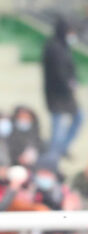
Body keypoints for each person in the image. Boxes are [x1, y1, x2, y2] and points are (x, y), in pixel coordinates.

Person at [43, 16, 82, 159]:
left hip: (66, 96)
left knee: (78, 118)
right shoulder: (54, 47)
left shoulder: (64, 46)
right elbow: (58, 74)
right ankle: (52, 158)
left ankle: (61, 149)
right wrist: (68, 84)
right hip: (57, 96)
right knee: (57, 129)